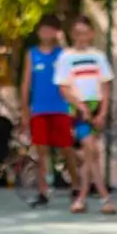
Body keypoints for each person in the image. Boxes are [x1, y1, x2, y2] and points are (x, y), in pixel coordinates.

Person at [54, 15, 116, 214]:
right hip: (77, 110)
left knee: (93, 153)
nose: (81, 37)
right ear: (72, 35)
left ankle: (92, 198)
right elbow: (63, 88)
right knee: (90, 148)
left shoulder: (98, 56)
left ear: (92, 34)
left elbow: (105, 87)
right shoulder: (65, 57)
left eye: (85, 33)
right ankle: (93, 196)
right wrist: (81, 107)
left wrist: (103, 112)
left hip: (96, 108)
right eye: (77, 33)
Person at [20, 13, 76, 206]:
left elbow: (72, 61)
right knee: (41, 150)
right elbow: (26, 83)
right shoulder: (32, 54)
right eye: (43, 29)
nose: (46, 33)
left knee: (66, 148)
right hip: (39, 108)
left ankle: (76, 185)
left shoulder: (62, 53)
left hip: (60, 107)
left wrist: (62, 41)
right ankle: (43, 190)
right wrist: (24, 109)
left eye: (51, 30)